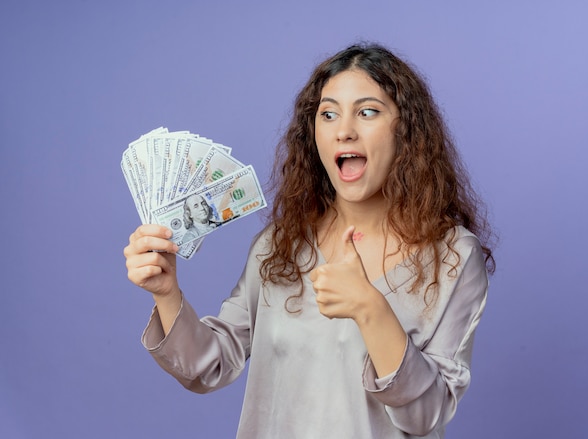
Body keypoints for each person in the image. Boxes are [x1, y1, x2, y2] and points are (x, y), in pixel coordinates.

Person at [124, 43, 495, 439]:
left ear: (407, 129)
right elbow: (207, 366)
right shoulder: (280, 245)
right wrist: (166, 293)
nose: (344, 130)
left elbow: (425, 415)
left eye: (368, 112)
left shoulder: (453, 256)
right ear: (313, 132)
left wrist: (372, 310)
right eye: (329, 114)